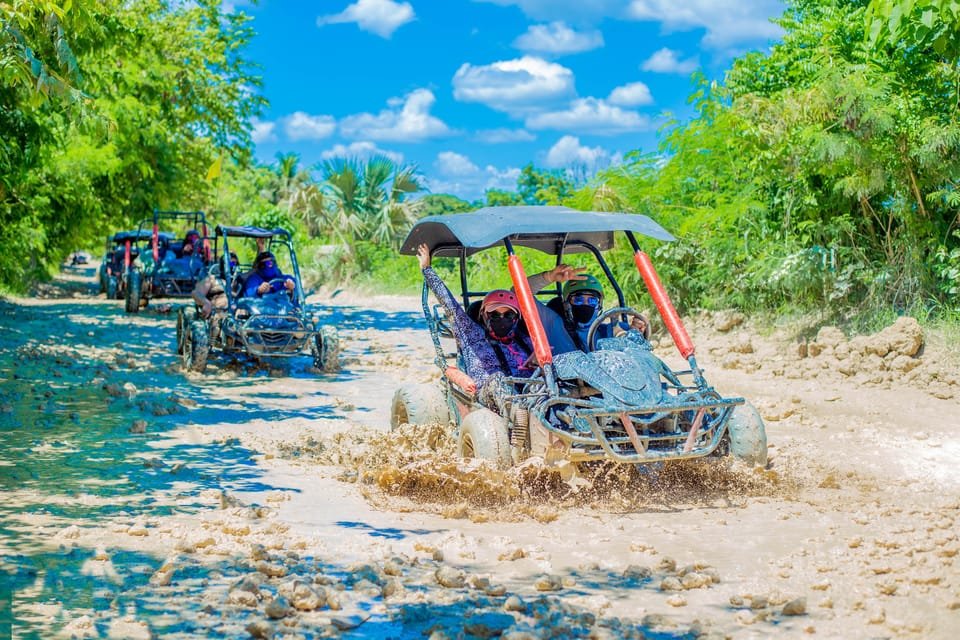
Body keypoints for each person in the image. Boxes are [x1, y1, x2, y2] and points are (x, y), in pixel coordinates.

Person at [417, 243, 538, 414]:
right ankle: (520, 418)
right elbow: (450, 305)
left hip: (531, 393)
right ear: (483, 315)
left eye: (508, 315)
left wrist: (538, 362)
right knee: (498, 380)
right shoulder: (472, 334)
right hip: (490, 395)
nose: (502, 319)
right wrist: (427, 270)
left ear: (516, 318)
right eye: (494, 315)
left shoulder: (523, 338)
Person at [554, 274, 649, 350]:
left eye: (592, 301)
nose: (586, 305)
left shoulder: (613, 329)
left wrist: (636, 330)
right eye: (578, 300)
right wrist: (547, 277)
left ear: (599, 305)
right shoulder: (558, 331)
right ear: (566, 304)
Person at [191, 252, 238, 339]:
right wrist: (206, 303)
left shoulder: (240, 280)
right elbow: (196, 293)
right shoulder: (212, 279)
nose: (231, 266)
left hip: (238, 313)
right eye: (229, 263)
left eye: (234, 263)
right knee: (221, 319)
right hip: (219, 312)